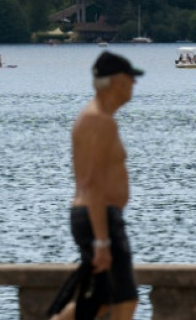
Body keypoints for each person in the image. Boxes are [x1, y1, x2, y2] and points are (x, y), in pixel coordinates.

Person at [50, 51, 144, 320]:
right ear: (117, 82)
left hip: (95, 216)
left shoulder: (99, 119)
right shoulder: (98, 121)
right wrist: (102, 241)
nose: (134, 86)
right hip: (98, 216)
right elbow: (91, 182)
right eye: (130, 79)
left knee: (99, 301)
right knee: (125, 300)